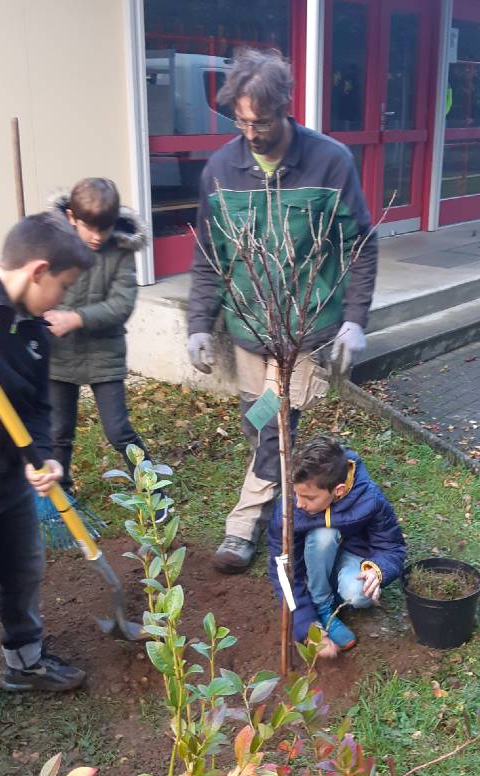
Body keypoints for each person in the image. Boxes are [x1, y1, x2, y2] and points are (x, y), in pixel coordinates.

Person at [188, 48, 377, 574]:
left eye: (262, 120)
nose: (252, 131)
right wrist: (198, 324)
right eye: (241, 120)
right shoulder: (221, 169)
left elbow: (358, 244)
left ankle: (244, 529)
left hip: (306, 331)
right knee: (260, 425)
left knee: (274, 429)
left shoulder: (329, 161)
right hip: (251, 332)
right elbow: (209, 254)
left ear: (285, 106)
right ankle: (307, 489)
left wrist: (355, 319)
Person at [0, 213, 94, 755]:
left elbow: (37, 407)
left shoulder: (34, 330)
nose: (62, 299)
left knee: (24, 572)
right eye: (63, 286)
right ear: (39, 271)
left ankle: (24, 663)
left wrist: (45, 458)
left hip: (11, 478)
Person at [45, 179, 156, 506]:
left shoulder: (120, 252)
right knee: (57, 432)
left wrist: (75, 318)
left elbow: (123, 304)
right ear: (71, 217)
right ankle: (61, 494)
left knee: (118, 429)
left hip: (104, 355)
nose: (97, 236)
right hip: (58, 356)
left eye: (104, 229)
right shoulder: (51, 247)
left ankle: (150, 487)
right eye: (89, 228)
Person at [268, 435, 405, 658]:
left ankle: (331, 595)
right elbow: (282, 569)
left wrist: (378, 570)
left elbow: (392, 547)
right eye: (295, 493)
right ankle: (321, 608)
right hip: (310, 560)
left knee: (360, 594)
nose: (299, 503)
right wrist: (305, 625)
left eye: (308, 498)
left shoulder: (370, 498)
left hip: (351, 556)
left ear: (338, 491)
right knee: (323, 535)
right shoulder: (290, 508)